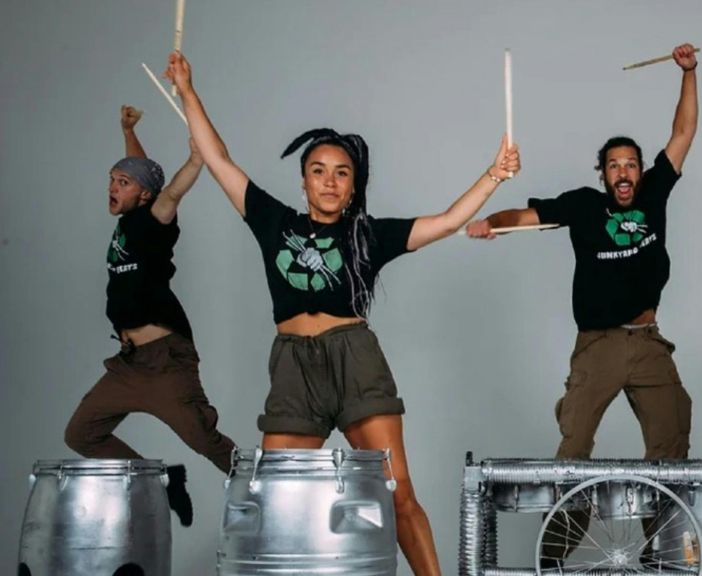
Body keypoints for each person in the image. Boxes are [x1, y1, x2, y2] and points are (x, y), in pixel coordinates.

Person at [165, 51, 519, 575]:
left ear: (354, 185)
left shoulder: (366, 236)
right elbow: (218, 160)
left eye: (341, 174)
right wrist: (188, 91)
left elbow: (445, 222)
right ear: (304, 180)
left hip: (354, 359)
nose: (330, 182)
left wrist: (494, 175)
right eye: (318, 171)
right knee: (275, 499)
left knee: (398, 495)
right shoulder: (272, 221)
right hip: (292, 367)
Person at [467, 43, 698, 564]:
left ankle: (661, 555)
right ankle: (554, 558)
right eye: (614, 165)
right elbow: (525, 216)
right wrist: (490, 223)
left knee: (673, 447)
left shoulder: (655, 193)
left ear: (641, 172)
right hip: (598, 345)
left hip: (649, 342)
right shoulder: (584, 206)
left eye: (631, 165)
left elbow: (683, 134)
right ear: (602, 173)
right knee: (573, 451)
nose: (623, 173)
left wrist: (688, 73)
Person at [64, 105, 237, 527]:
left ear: (142, 195)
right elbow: (145, 174)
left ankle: (272, 494)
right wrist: (129, 130)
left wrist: (196, 160)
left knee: (206, 441)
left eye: (122, 183)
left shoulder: (154, 219)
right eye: (112, 179)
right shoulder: (129, 214)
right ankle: (161, 481)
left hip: (164, 361)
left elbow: (170, 191)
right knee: (81, 434)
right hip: (128, 365)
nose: (113, 186)